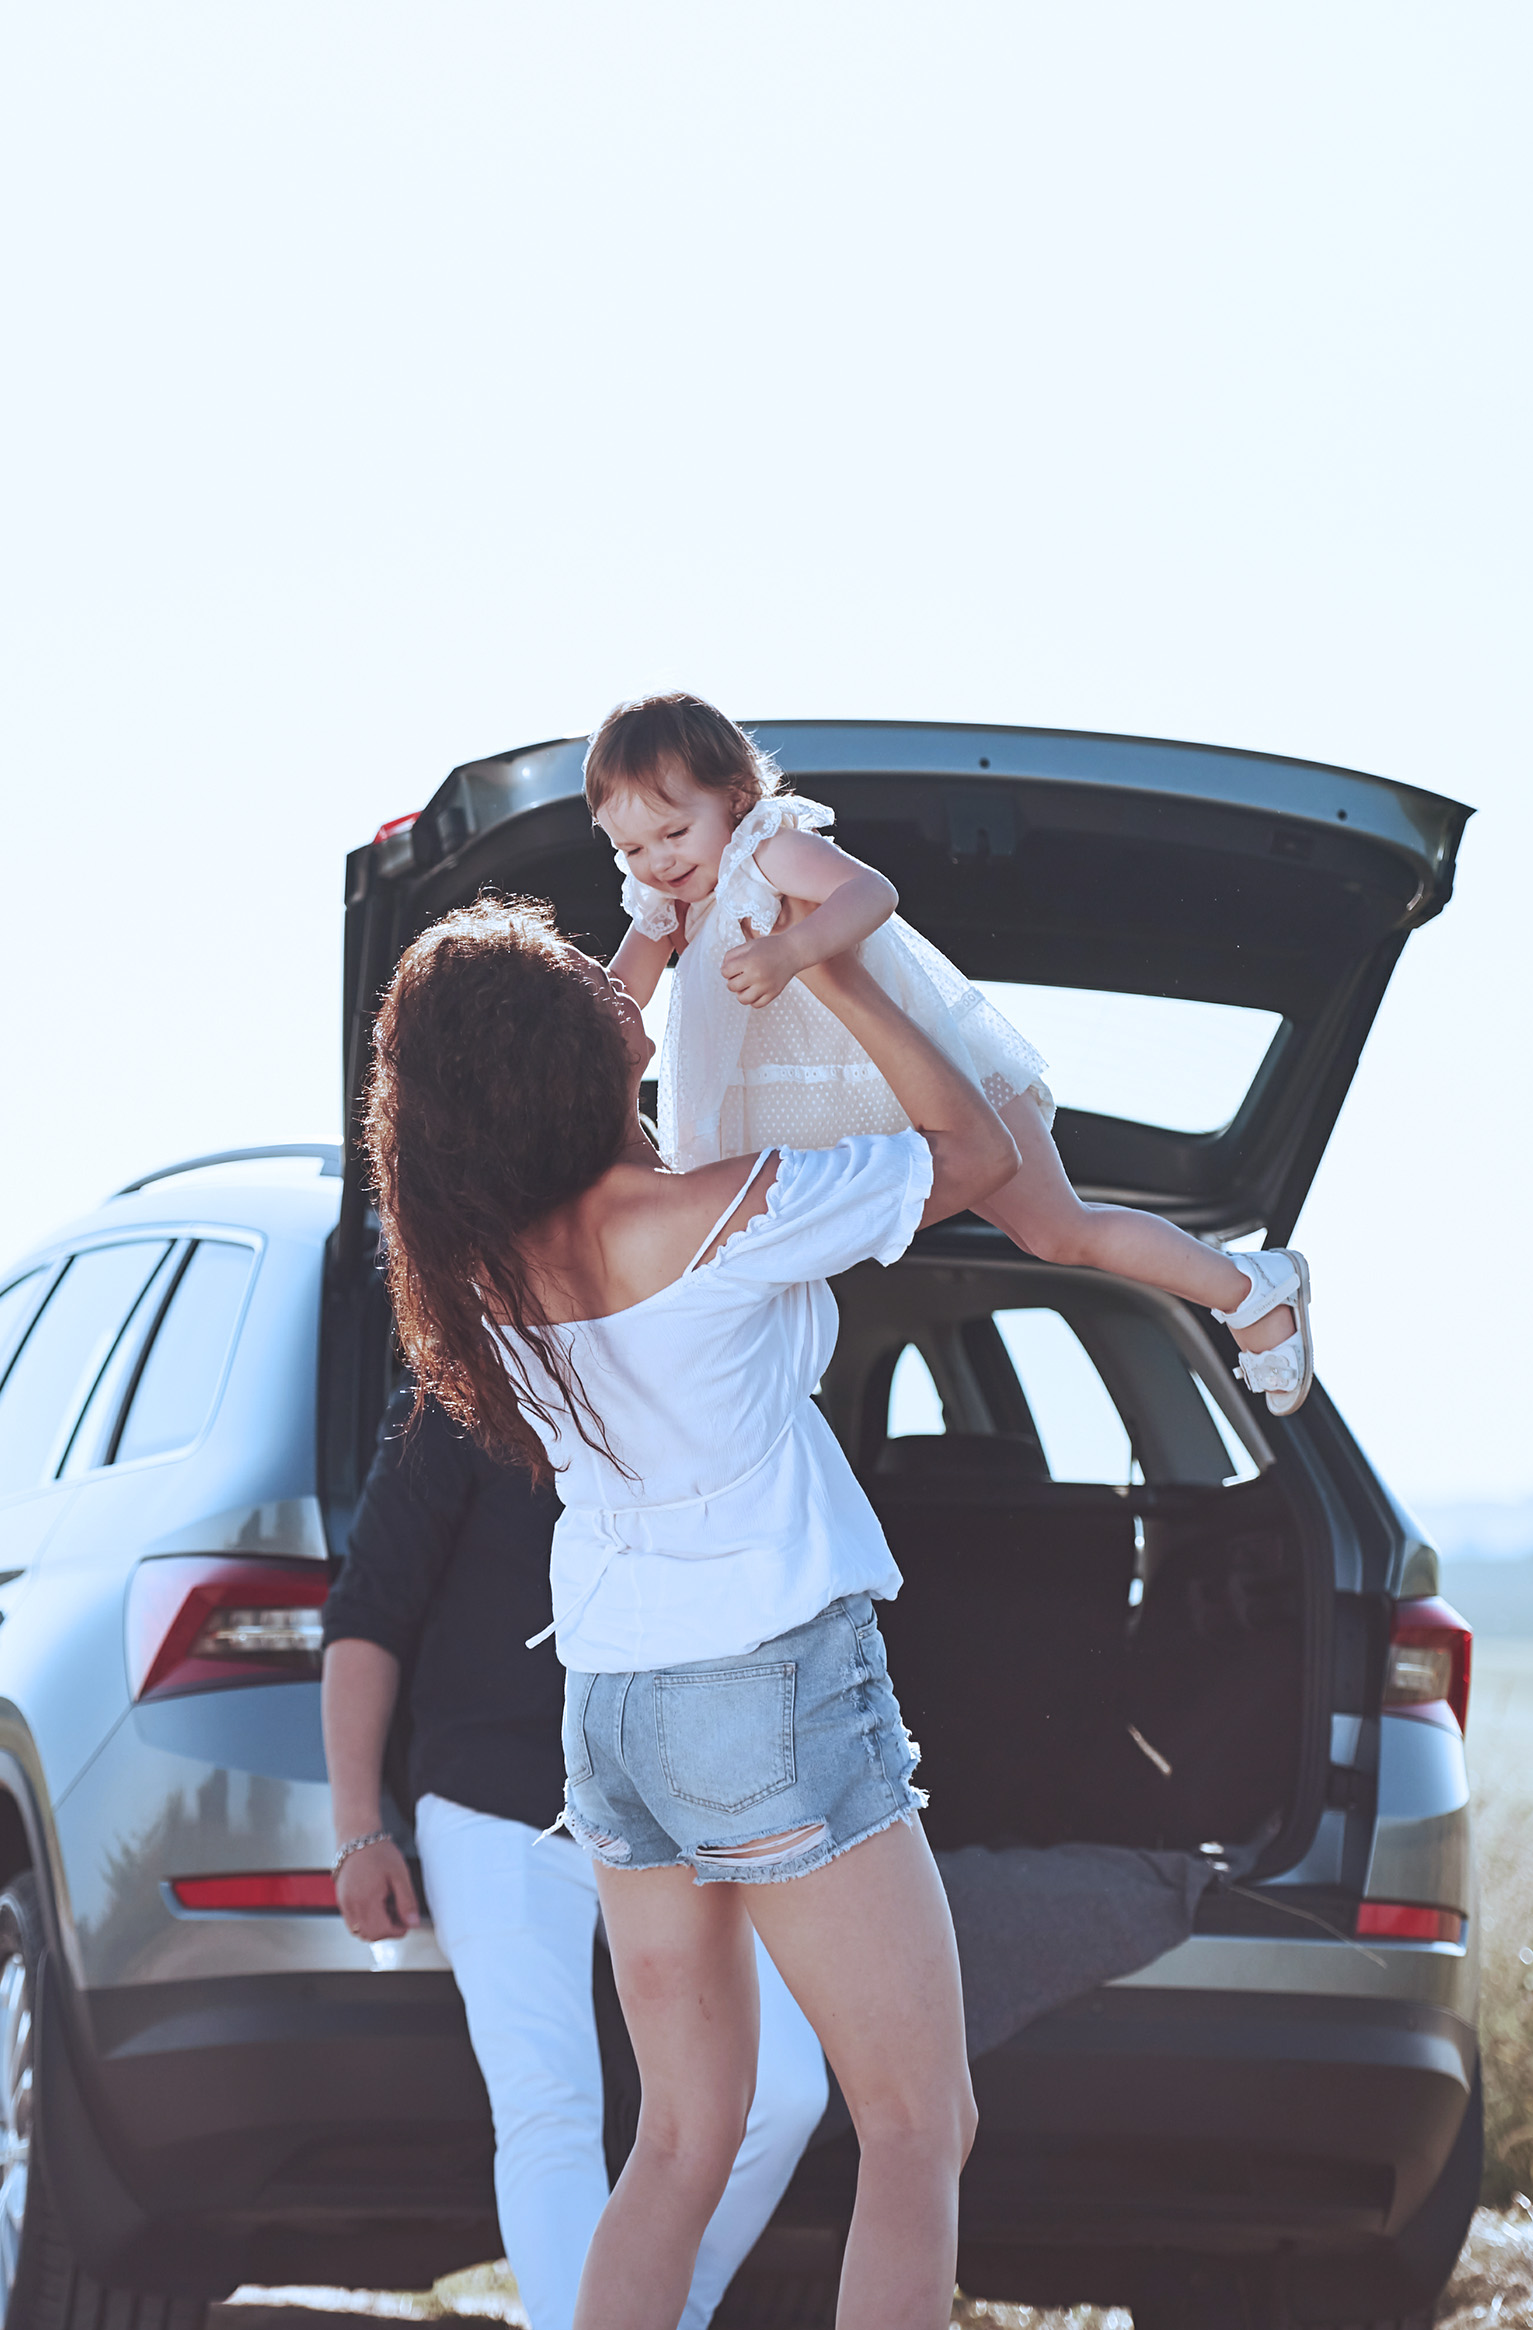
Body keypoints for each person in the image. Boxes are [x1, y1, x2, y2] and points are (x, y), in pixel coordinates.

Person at [360, 894, 1024, 2330]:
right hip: (769, 1684)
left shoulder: (478, 1268)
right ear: (576, 1068)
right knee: (920, 2122)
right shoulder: (719, 1211)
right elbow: (977, 1150)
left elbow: (572, 1053)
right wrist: (831, 963)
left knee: (677, 2137)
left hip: (610, 1709)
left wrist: (644, 945)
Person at [588, 690, 1314, 1417]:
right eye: (630, 848)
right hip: (814, 1119)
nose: (655, 860)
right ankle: (752, 1407)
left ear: (736, 799)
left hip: (928, 1082)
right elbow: (617, 998)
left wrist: (793, 949)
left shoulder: (767, 849)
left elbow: (870, 892)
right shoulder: (666, 902)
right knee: (774, 1254)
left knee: (1057, 1230)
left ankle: (1250, 1288)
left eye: (673, 832)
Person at [320, 1389, 829, 2330]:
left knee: (785, 2089)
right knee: (548, 2103)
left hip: (686, 1810)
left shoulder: (690, 1381)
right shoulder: (451, 1409)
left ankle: (646, 2313)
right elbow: (368, 1621)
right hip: (494, 1802)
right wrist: (361, 1828)